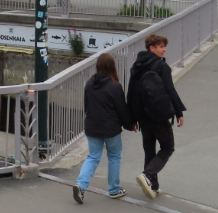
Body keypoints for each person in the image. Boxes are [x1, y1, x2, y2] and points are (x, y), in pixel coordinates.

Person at [127, 33, 186, 199]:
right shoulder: (161, 66)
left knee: (149, 150)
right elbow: (170, 90)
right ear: (151, 48)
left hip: (142, 116)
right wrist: (179, 112)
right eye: (160, 46)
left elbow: (131, 93)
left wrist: (132, 119)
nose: (164, 50)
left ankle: (153, 185)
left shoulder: (136, 66)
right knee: (168, 147)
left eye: (164, 46)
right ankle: (147, 175)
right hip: (158, 115)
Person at [72, 53, 134, 203]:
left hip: (92, 127)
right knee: (114, 156)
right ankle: (114, 189)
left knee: (93, 156)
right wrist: (129, 124)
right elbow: (121, 109)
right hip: (111, 129)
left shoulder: (89, 84)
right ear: (113, 66)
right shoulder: (114, 86)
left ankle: (80, 185)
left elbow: (87, 106)